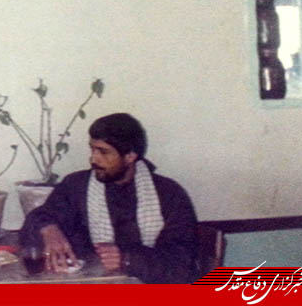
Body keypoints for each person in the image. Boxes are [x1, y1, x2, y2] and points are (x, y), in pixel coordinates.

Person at [19, 113, 198, 283]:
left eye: (104, 152)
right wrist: (48, 229)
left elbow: (182, 263)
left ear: (130, 156)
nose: (93, 159)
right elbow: (39, 218)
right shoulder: (77, 186)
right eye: (92, 149)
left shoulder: (169, 194)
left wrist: (127, 259)